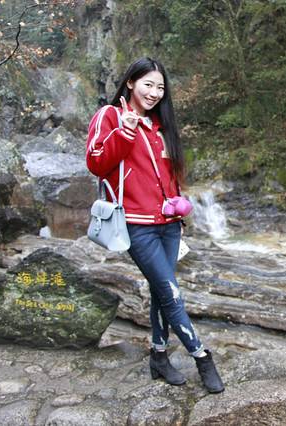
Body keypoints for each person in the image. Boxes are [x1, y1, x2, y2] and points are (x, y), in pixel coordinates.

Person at [86, 57, 224, 393]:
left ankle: (159, 356)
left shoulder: (161, 126)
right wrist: (125, 131)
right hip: (137, 225)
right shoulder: (110, 116)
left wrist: (179, 209)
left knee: (160, 292)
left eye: (160, 87)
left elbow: (168, 177)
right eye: (148, 84)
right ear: (130, 82)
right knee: (171, 293)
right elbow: (96, 163)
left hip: (169, 224)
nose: (154, 92)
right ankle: (202, 357)